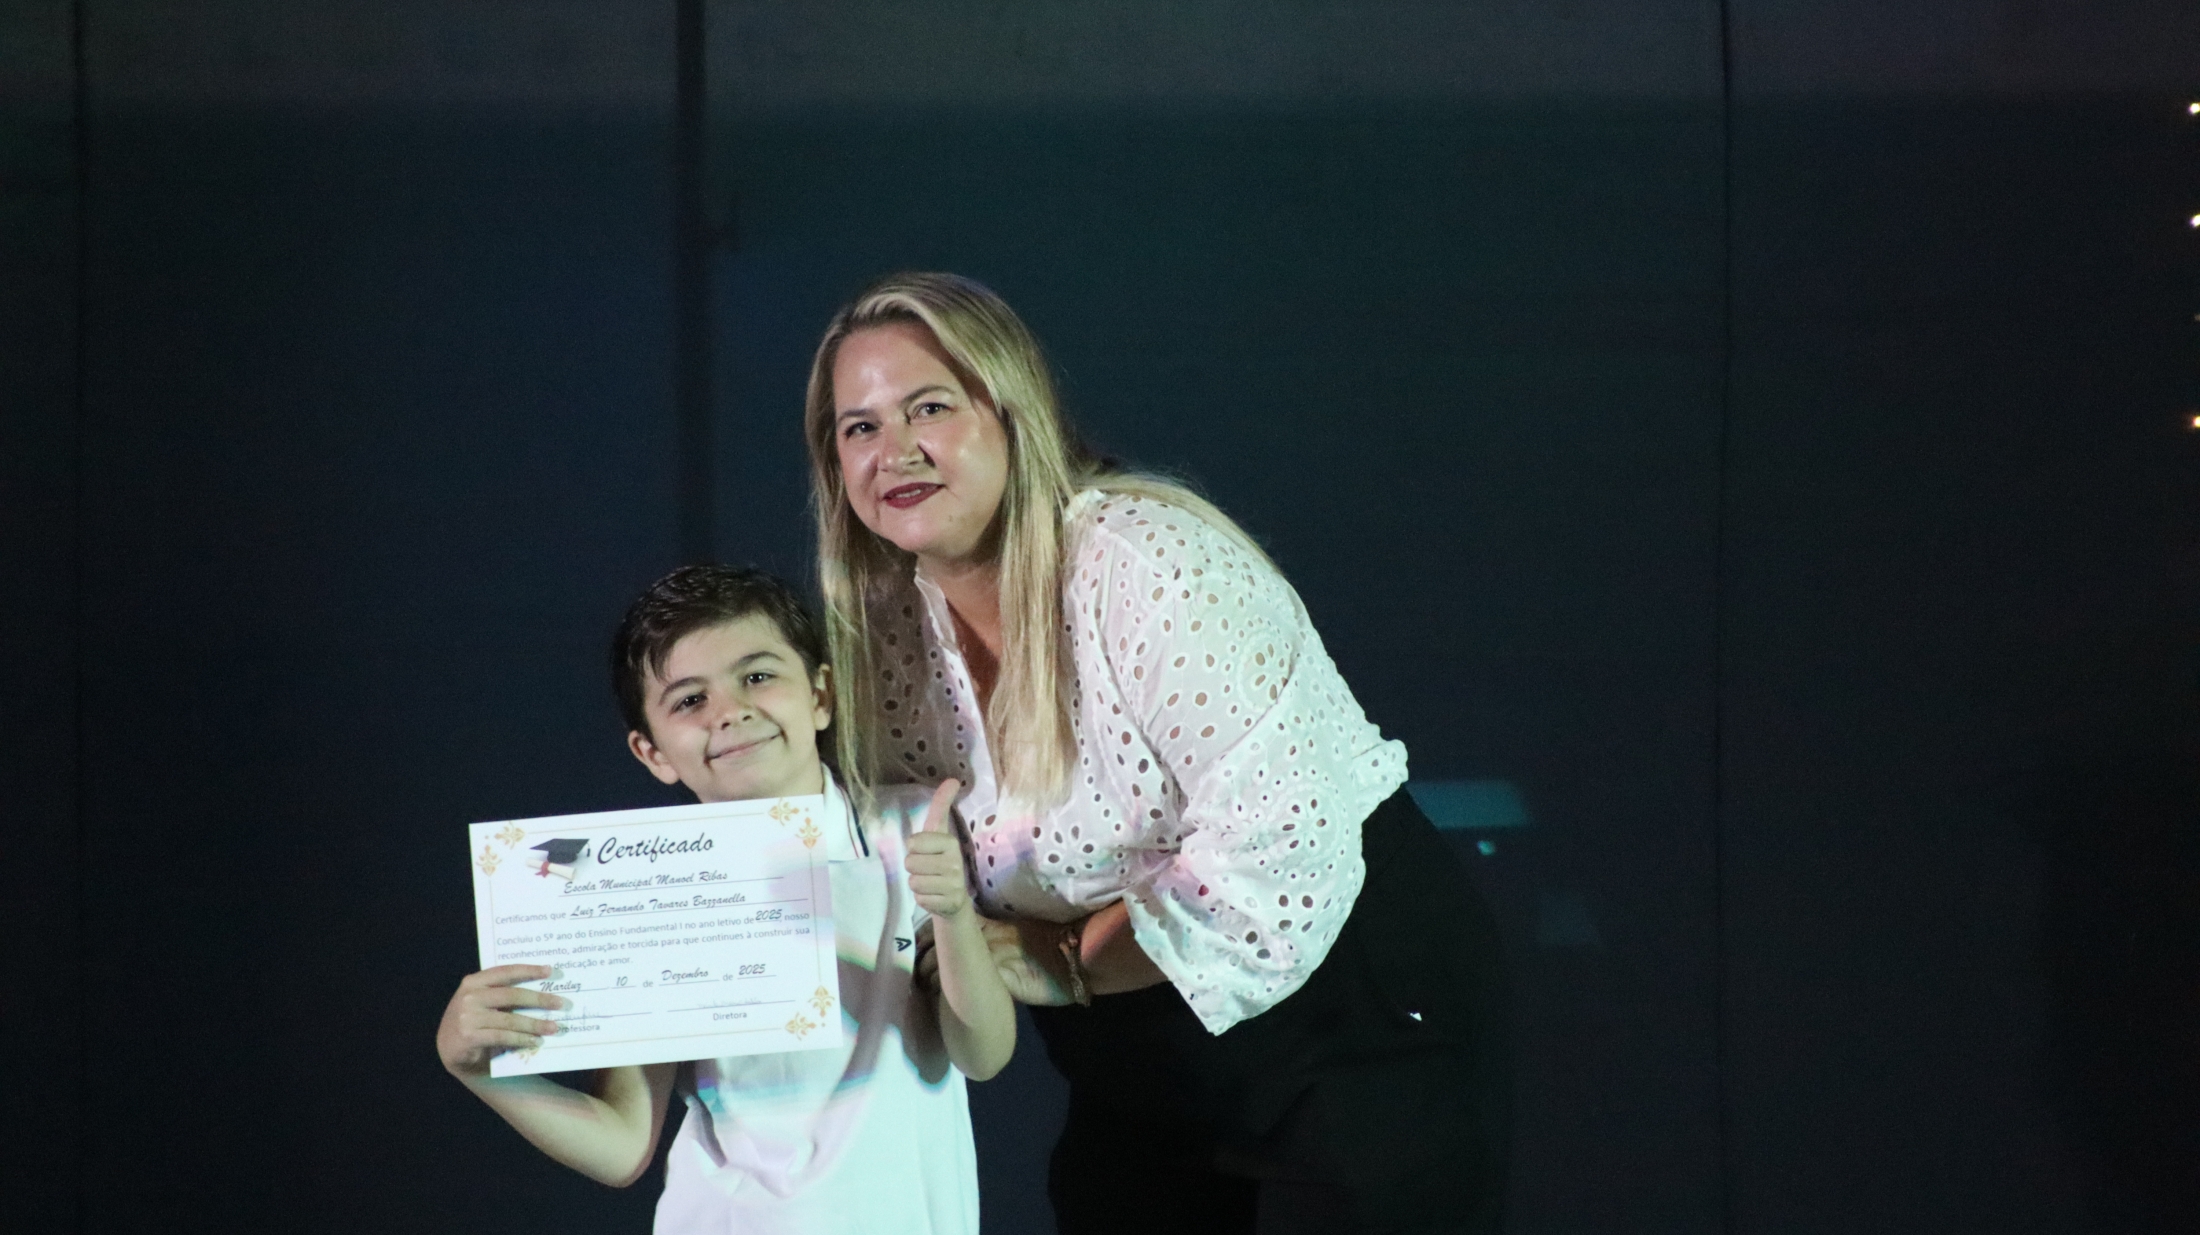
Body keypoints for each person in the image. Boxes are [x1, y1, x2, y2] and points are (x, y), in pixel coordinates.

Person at [805, 273, 1510, 1234]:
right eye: (861, 426)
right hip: (1134, 1049)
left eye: (930, 406)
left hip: (1348, 1009)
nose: (896, 449)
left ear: (1012, 411)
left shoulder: (1148, 564)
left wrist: (1062, 958)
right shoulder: (883, 638)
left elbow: (1277, 858)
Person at [434, 565, 1015, 1234]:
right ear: (652, 752)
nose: (730, 711)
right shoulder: (647, 891)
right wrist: (481, 1071)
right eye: (689, 700)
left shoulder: (910, 829)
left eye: (758, 676)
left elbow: (983, 1054)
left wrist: (954, 913)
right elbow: (622, 1144)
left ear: (820, 694)